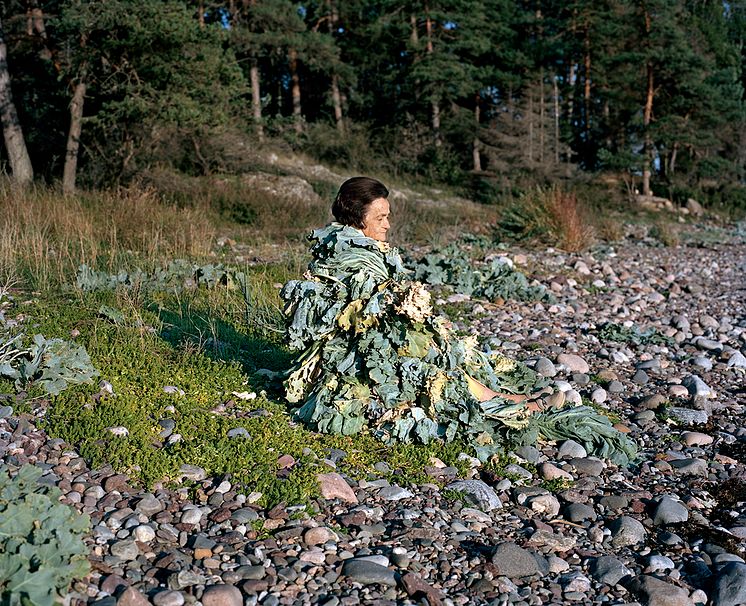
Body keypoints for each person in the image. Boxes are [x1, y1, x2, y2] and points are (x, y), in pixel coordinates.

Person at [281, 177, 636, 464]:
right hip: (356, 357)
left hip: (372, 343)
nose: (388, 224)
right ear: (358, 218)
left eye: (388, 216)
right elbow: (362, 315)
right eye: (381, 218)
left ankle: (499, 396)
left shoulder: (348, 246)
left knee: (445, 352)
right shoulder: (354, 257)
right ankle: (502, 403)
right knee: (431, 369)